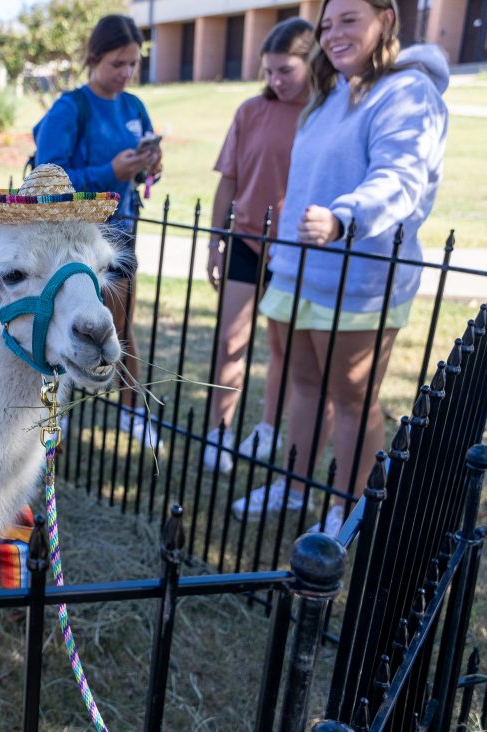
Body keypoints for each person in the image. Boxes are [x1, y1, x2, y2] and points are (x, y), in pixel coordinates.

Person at [232, 0, 448, 536]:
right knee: (303, 386)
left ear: (387, 20)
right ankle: (294, 485)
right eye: (327, 25)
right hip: (301, 271)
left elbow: (401, 179)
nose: (333, 34)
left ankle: (343, 508)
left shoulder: (408, 92)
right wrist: (285, 254)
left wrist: (343, 218)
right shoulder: (326, 98)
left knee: (352, 400)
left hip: (360, 280)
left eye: (349, 19)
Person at [34, 14, 162, 447]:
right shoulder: (71, 108)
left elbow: (143, 176)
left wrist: (150, 168)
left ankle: (131, 409)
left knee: (120, 325)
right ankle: (56, 408)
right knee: (66, 322)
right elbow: (48, 174)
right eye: (117, 64)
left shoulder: (134, 108)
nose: (126, 73)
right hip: (73, 239)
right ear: (94, 58)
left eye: (133, 64)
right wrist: (109, 171)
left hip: (119, 232)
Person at [203, 18, 316, 474]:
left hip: (296, 251)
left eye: (285, 70)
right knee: (231, 340)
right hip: (245, 242)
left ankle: (267, 430)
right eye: (268, 71)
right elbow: (228, 180)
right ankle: (218, 431)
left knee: (284, 347)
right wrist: (215, 242)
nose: (274, 81)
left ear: (313, 62)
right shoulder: (251, 111)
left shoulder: (326, 112)